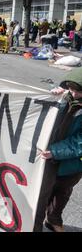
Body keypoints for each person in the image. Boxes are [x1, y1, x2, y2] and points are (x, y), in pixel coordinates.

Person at [34, 68, 82, 232]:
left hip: (72, 163)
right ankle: (34, 226)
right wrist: (54, 95)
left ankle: (53, 219)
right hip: (49, 158)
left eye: (79, 91)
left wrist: (55, 151)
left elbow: (80, 142)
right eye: (71, 89)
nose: (74, 94)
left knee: (63, 191)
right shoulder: (64, 97)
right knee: (40, 195)